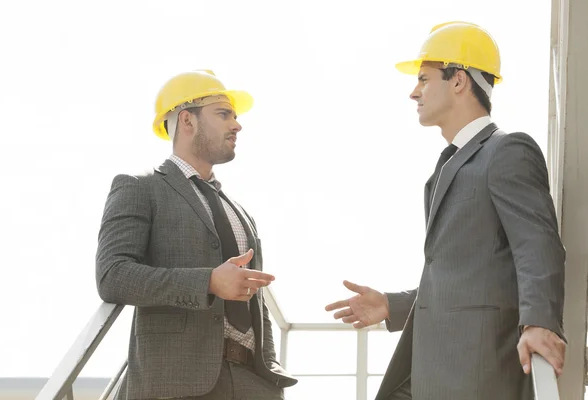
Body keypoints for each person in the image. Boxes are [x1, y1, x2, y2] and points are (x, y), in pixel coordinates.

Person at [325, 22, 566, 400]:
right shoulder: (448, 166)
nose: (413, 92)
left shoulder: (508, 151)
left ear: (458, 81)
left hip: (477, 370)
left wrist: (540, 323)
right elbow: (469, 277)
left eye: (423, 78)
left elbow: (538, 245)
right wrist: (393, 305)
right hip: (433, 368)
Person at [95, 70, 296, 399]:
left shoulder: (240, 211)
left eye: (235, 115)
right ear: (187, 121)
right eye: (223, 114)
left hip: (253, 384)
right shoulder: (140, 187)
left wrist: (269, 371)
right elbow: (112, 276)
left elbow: (255, 300)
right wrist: (208, 282)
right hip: (176, 384)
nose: (237, 124)